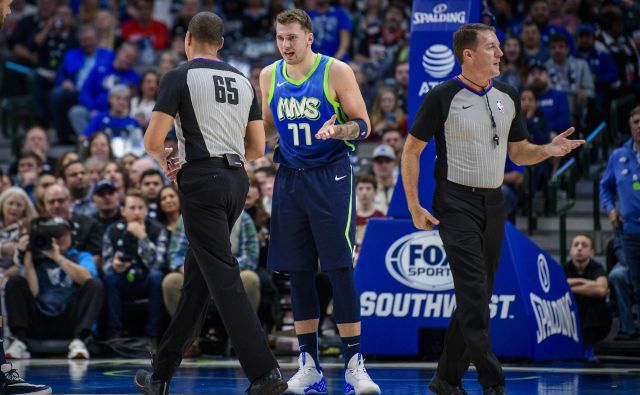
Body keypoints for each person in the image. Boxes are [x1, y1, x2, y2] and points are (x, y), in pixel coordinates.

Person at [402, 23, 584, 395]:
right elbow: (411, 151)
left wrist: (546, 150)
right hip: (455, 203)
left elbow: (518, 152)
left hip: (494, 202)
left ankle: (446, 379)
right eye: (491, 47)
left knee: (478, 298)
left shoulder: (508, 94)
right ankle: (493, 383)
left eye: (498, 47)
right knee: (473, 294)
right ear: (468, 55)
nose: (500, 53)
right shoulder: (442, 95)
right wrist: (413, 205)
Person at [134, 12, 286, 395]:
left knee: (221, 275)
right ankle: (160, 375)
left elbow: (154, 140)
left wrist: (168, 164)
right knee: (198, 281)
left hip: (201, 179)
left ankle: (264, 372)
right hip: (237, 181)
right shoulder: (243, 81)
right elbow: (257, 148)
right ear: (220, 43)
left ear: (188, 40)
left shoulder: (179, 75)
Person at [259, 9, 379, 394]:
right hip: (290, 177)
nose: (286, 45)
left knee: (339, 268)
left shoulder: (336, 71)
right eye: (280, 38)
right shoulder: (268, 75)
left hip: (332, 175)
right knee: (298, 271)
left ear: (309, 38)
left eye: (292, 37)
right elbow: (262, 126)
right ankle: (308, 364)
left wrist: (337, 128)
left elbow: (364, 125)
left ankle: (353, 365)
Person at [5, 217, 103, 361]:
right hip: (39, 321)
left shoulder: (81, 256)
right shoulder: (36, 259)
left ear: (71, 235)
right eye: (55, 235)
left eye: (63, 234)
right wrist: (28, 257)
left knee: (95, 284)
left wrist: (57, 257)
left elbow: (86, 277)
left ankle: (80, 340)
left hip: (69, 320)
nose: (60, 239)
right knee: (14, 282)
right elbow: (33, 292)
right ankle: (19, 340)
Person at [600, 105, 640, 342]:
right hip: (630, 230)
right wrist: (611, 209)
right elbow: (605, 186)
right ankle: (633, 329)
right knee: (635, 280)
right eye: (635, 122)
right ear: (629, 125)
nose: (639, 126)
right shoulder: (619, 156)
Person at [563, 234, 611, 362]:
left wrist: (571, 286)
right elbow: (558, 288)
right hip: (570, 319)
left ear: (592, 252)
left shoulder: (597, 268)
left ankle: (588, 348)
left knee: (591, 300)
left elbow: (601, 290)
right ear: (570, 251)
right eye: (576, 245)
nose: (579, 248)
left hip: (598, 323)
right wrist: (587, 283)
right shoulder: (564, 268)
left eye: (584, 245)